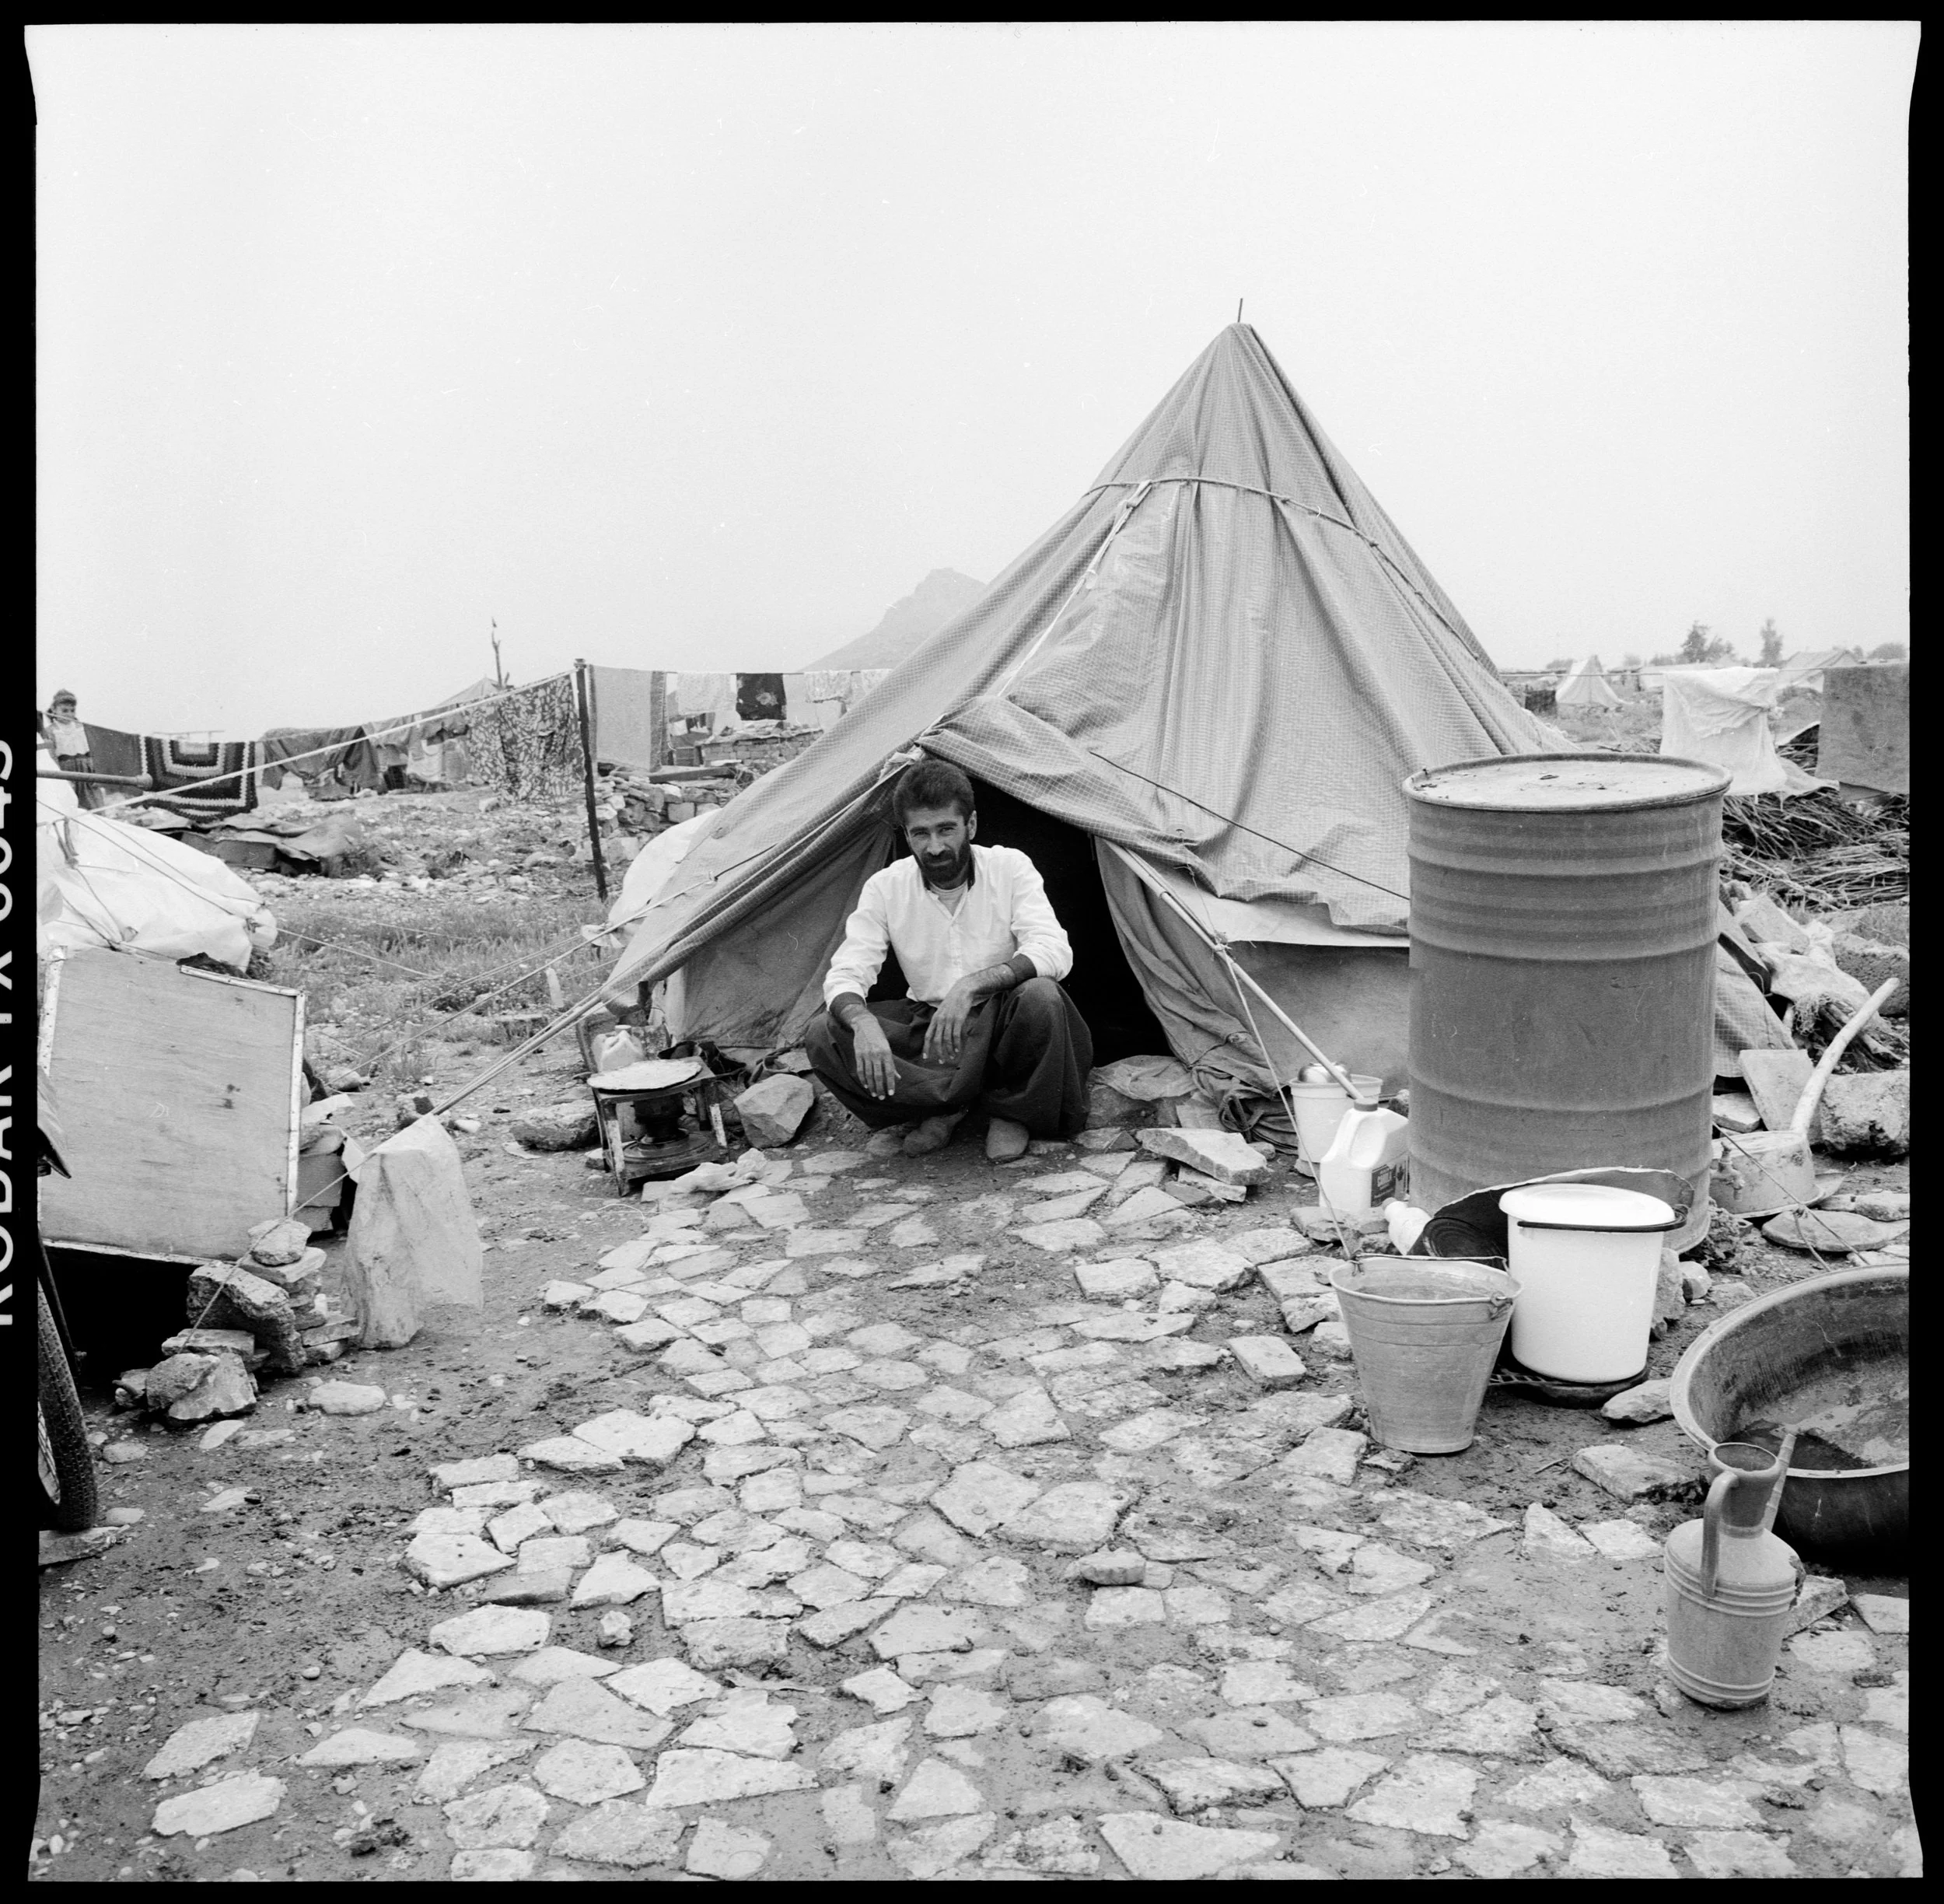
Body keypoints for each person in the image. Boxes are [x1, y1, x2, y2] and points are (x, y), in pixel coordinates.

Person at [805, 759, 1094, 1160]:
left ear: (970, 825)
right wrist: (863, 1022)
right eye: (920, 833)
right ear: (907, 834)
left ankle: (1013, 1112)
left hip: (1002, 1020)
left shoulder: (1009, 867)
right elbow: (847, 971)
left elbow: (1052, 948)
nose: (935, 847)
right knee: (824, 1033)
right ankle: (942, 1109)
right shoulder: (885, 887)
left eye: (946, 829)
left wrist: (971, 986)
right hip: (932, 1031)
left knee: (1041, 997)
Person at [43, 691, 105, 810]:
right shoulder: (51, 731)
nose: (69, 714)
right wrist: (62, 778)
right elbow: (52, 758)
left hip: (86, 771)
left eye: (72, 711)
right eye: (65, 711)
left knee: (93, 803)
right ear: (54, 710)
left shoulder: (81, 728)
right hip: (67, 771)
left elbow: (91, 751)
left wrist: (95, 772)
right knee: (71, 804)